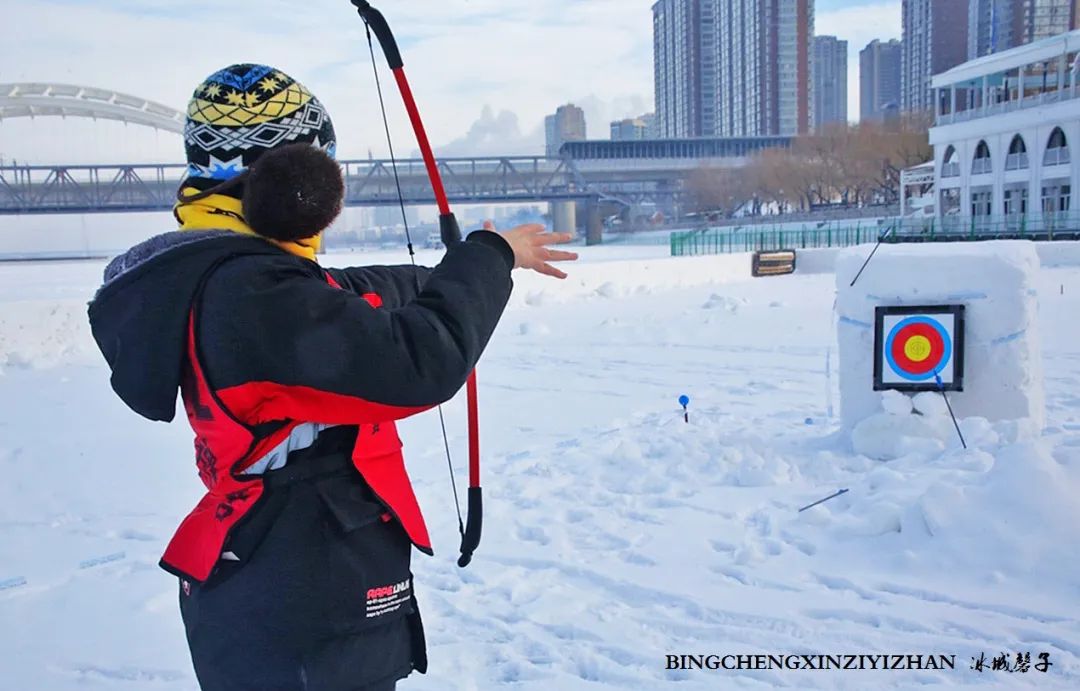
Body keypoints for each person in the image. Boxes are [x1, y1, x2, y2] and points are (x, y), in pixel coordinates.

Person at [87, 63, 576, 690]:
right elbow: (417, 364)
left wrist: (453, 273)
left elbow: (348, 293)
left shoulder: (231, 274)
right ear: (300, 181)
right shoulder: (253, 293)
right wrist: (489, 257)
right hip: (302, 604)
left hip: (287, 590)